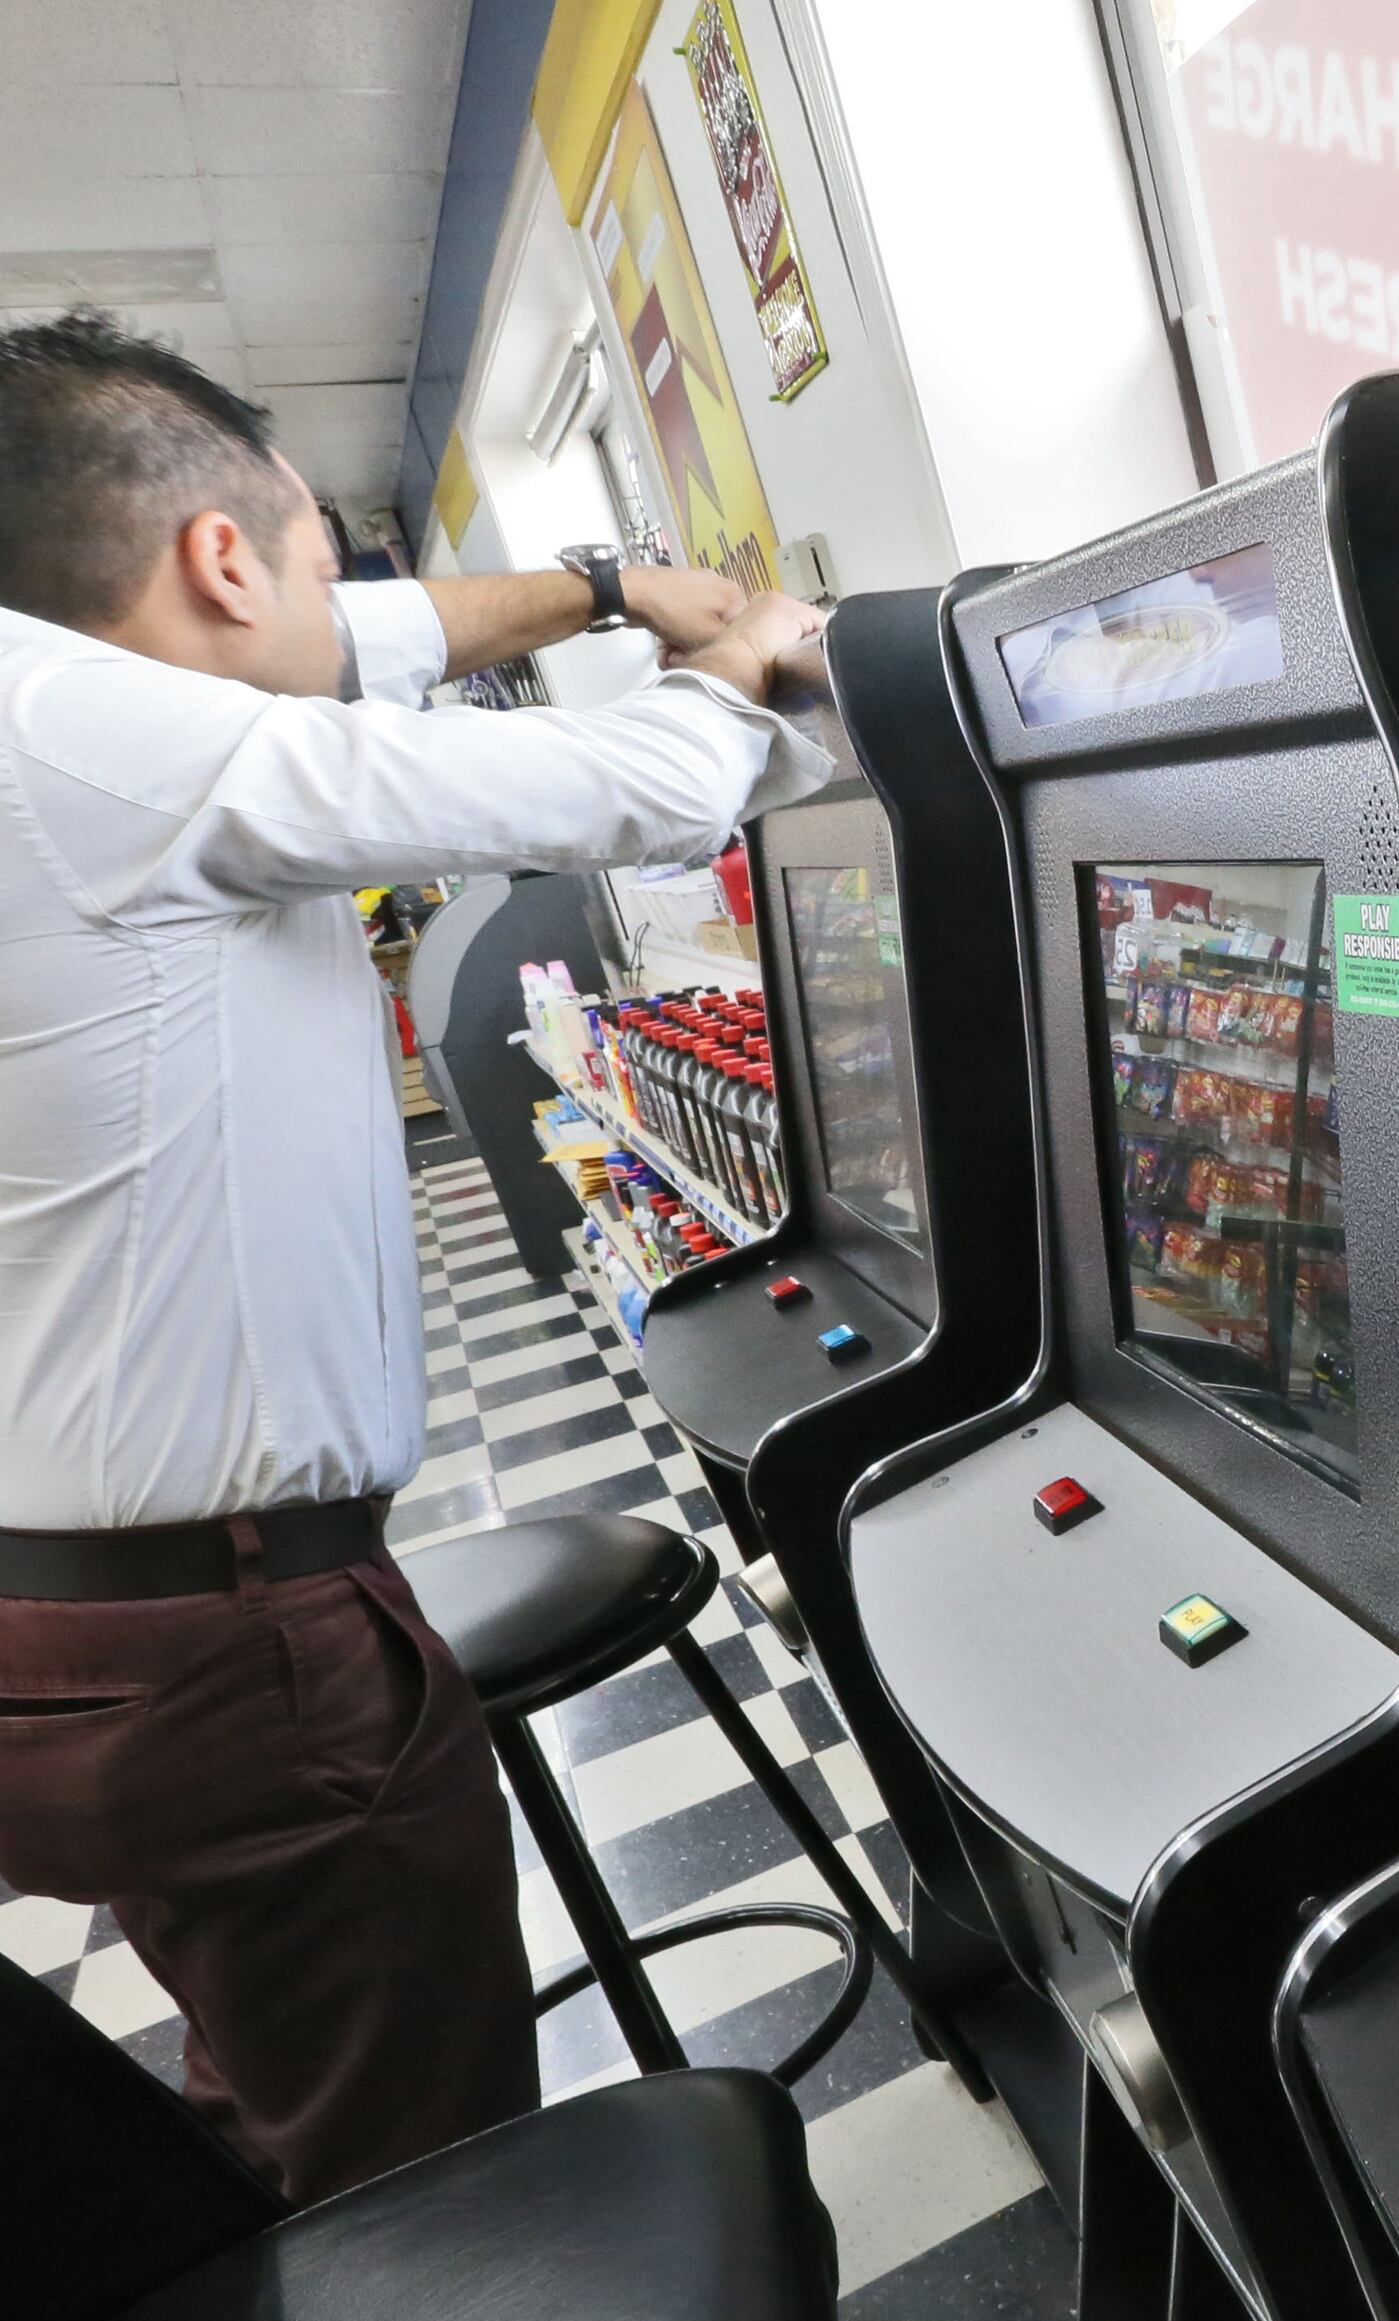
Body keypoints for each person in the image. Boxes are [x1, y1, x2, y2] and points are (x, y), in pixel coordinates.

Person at [0, 311, 833, 2202]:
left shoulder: (63, 731)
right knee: (421, 2185)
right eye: (314, 547)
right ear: (220, 560)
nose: (348, 598)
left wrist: (615, 581)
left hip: (79, 1628)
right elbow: (597, 791)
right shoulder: (78, 738)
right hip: (230, 1642)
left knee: (286, 2074)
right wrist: (754, 667)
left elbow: (354, 647)